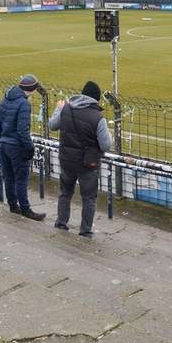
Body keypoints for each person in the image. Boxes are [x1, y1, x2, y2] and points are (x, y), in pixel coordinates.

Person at [49, 81, 113, 238]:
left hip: (66, 159)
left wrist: (58, 108)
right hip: (87, 163)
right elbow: (106, 145)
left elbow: (52, 125)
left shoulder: (65, 109)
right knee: (89, 198)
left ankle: (61, 223)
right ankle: (85, 231)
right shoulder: (98, 118)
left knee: (65, 193)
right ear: (96, 99)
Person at [0, 74, 45, 221]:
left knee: (9, 177)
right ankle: (25, 209)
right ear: (33, 90)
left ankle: (13, 206)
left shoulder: (6, 98)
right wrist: (30, 147)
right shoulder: (24, 104)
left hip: (4, 144)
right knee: (21, 179)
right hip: (16, 147)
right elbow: (23, 130)